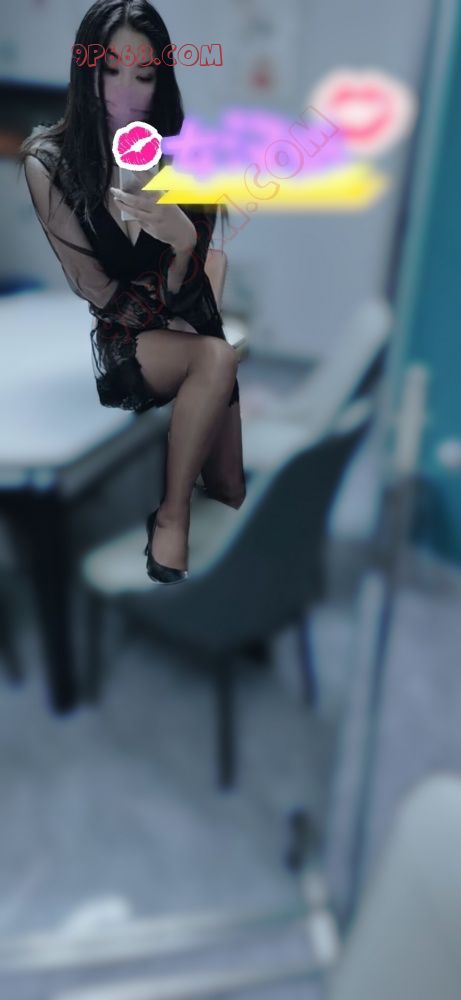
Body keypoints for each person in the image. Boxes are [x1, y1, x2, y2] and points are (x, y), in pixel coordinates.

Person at [18, 0, 246, 584]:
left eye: (143, 76)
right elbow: (101, 293)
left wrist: (183, 246)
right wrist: (178, 280)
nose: (123, 94)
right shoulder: (50, 162)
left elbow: (204, 273)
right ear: (85, 71)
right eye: (109, 72)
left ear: (161, 80)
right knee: (216, 359)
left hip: (190, 320)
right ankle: (171, 516)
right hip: (126, 338)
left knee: (230, 487)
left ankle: (226, 592)